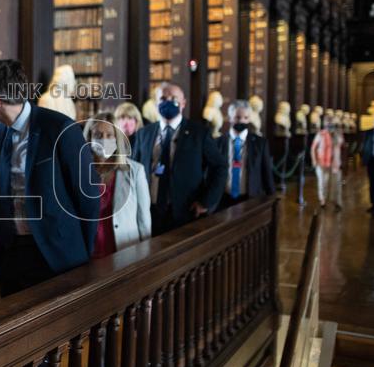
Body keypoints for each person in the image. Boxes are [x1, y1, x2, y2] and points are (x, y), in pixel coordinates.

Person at [0, 59, 100, 298]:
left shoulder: (61, 128)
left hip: (55, 255)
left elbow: (88, 196)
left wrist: (82, 252)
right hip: (10, 253)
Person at [131, 83, 227, 235]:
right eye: (163, 99)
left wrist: (206, 202)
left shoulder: (199, 133)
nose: (168, 102)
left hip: (186, 212)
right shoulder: (144, 133)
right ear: (156, 103)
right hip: (148, 211)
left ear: (183, 103)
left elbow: (220, 167)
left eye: (174, 99)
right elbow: (133, 169)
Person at [84, 112, 151, 257]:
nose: (104, 139)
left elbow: (144, 220)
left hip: (124, 250)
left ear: (117, 138)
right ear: (89, 138)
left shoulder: (135, 170)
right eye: (98, 135)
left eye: (109, 135)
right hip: (89, 251)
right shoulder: (80, 172)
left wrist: (145, 255)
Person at [216, 99, 276, 209]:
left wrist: (273, 201)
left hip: (251, 199)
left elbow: (267, 174)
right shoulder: (218, 143)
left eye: (246, 118)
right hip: (223, 200)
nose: (242, 121)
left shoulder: (260, 143)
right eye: (237, 117)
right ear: (230, 118)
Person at [311, 117, 344, 210]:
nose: (330, 126)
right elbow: (313, 148)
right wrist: (314, 160)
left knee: (336, 183)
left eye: (332, 124)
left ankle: (337, 202)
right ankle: (322, 200)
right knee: (323, 182)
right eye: (328, 124)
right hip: (322, 163)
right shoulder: (320, 134)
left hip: (335, 163)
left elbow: (341, 146)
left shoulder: (338, 135)